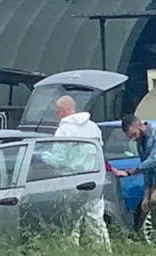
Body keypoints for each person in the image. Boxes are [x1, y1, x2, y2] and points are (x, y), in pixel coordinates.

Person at [40, 96, 111, 252]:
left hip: (71, 180)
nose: (57, 115)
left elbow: (58, 159)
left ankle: (70, 252)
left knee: (70, 224)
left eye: (57, 111)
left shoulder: (64, 130)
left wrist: (41, 155)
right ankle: (104, 252)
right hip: (93, 180)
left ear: (62, 110)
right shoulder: (94, 128)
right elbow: (99, 154)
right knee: (97, 223)